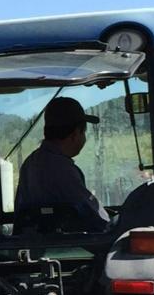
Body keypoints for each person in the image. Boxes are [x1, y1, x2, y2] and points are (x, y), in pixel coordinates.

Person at [13, 97, 110, 232]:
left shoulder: (31, 162)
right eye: (84, 132)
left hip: (32, 243)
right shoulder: (63, 170)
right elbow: (95, 217)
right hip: (62, 245)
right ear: (76, 133)